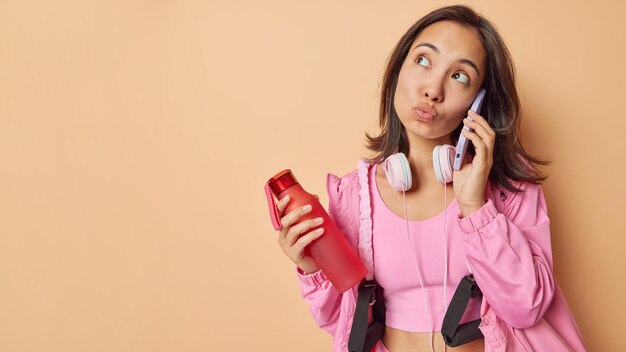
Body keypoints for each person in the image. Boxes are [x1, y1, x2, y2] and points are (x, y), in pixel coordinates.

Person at [274, 5, 586, 352]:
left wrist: (475, 207)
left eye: (460, 76)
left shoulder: (509, 190)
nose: (433, 90)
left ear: (479, 101)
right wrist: (311, 267)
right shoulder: (354, 196)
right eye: (423, 61)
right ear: (398, 69)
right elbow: (344, 324)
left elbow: (526, 307)